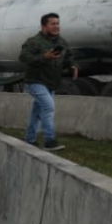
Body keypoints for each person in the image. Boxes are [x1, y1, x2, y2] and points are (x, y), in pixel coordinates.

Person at [19, 12, 77, 151]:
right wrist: (44, 57)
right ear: (44, 26)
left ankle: (30, 139)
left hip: (51, 82)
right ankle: (50, 141)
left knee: (37, 111)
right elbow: (23, 57)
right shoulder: (33, 41)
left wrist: (73, 66)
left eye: (58, 23)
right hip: (36, 81)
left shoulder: (61, 42)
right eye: (53, 24)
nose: (56, 26)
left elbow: (69, 56)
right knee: (48, 107)